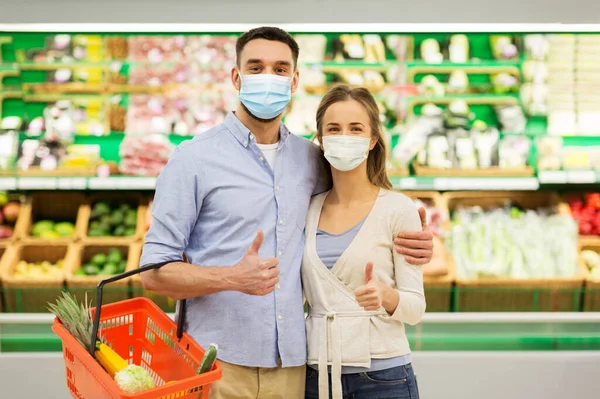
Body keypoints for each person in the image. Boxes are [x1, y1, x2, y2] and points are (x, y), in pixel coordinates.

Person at [139, 26, 433, 399]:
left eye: (280, 69)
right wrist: (230, 277)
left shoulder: (311, 160)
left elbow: (355, 209)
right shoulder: (193, 160)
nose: (269, 78)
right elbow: (153, 273)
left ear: (294, 81)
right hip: (219, 364)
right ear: (236, 76)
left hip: (295, 365)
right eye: (256, 67)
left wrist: (412, 243)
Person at [302, 85, 425, 399]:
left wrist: (385, 296)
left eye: (355, 129)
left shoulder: (398, 209)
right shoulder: (306, 210)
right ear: (321, 140)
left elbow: (415, 309)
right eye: (334, 129)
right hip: (317, 376)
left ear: (372, 140)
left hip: (384, 377)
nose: (344, 136)